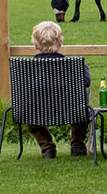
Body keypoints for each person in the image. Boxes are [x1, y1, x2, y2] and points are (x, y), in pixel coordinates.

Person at [29, 21, 91, 158]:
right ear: (60, 42)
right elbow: (87, 82)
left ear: (35, 44)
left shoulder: (26, 68)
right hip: (72, 111)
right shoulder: (76, 66)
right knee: (83, 94)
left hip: (37, 113)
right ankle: (77, 145)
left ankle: (46, 146)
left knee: (28, 104)